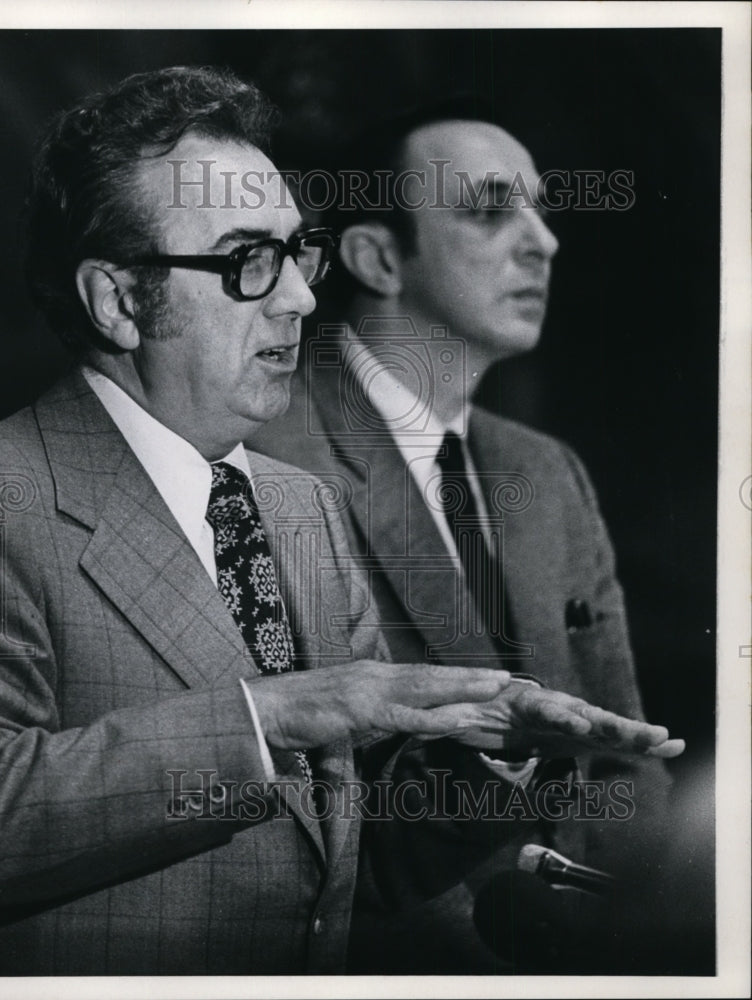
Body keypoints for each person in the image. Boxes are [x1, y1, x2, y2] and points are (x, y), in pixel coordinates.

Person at [0, 69, 682, 977]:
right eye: (247, 262)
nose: (302, 300)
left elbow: (357, 873)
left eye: (297, 253)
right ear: (117, 301)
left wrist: (494, 762)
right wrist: (273, 714)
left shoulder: (295, 502)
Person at [250, 100, 678, 971]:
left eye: (542, 210)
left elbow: (631, 756)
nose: (544, 243)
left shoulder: (546, 470)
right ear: (376, 256)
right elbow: (272, 809)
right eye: (491, 210)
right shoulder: (262, 454)